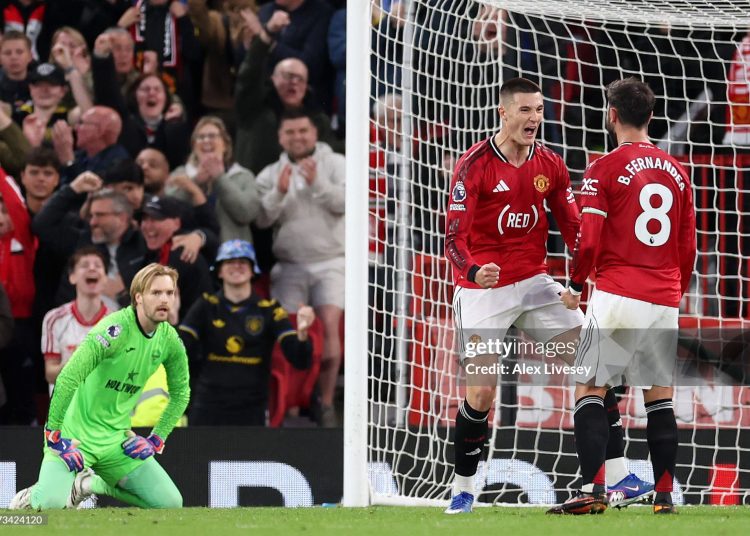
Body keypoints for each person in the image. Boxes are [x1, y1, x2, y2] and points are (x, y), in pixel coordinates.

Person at [442, 77, 652, 514]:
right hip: (483, 291)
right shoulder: (474, 165)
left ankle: (618, 477)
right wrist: (476, 269)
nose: (534, 118)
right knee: (481, 395)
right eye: (525, 110)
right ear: (504, 112)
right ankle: (463, 488)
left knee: (596, 363)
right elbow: (453, 239)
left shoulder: (551, 165)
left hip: (535, 284)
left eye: (539, 110)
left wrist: (588, 271)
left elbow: (573, 225)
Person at [550, 78, 696, 515]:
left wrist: (576, 286)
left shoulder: (603, 168)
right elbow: (688, 246)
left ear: (611, 115)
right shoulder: (678, 172)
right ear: (650, 117)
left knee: (590, 387)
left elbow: (588, 239)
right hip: (664, 294)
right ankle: (664, 496)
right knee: (659, 396)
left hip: (617, 291)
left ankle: (594, 491)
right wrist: (674, 291)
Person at [10, 263, 190, 510]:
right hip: (74, 437)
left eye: (170, 293)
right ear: (138, 297)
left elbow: (181, 393)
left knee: (170, 504)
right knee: (48, 507)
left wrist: (156, 438)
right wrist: (54, 435)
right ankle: (30, 498)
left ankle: (89, 485)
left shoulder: (170, 340)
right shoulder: (114, 330)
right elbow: (67, 377)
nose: (164, 300)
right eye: (156, 293)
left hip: (116, 440)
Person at [255, 108, 345, 427]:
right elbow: (261, 219)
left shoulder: (335, 164)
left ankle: (324, 400)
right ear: (280, 137)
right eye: (290, 132)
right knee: (289, 335)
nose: (297, 137)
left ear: (314, 133)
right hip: (290, 265)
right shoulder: (269, 174)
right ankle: (289, 406)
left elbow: (347, 203)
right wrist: (279, 192)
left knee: (330, 329)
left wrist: (317, 182)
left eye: (302, 131)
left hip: (331, 261)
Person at [179, 239, 313, 425]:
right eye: (230, 262)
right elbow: (181, 348)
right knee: (202, 454)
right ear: (219, 270)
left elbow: (300, 360)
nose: (237, 266)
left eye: (243, 262)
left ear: (253, 270)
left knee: (249, 455)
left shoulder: (270, 309)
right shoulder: (206, 305)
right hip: (208, 404)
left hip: (252, 406)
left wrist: (303, 333)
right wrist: (168, 322)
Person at [168, 115, 261, 243]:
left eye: (212, 136)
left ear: (225, 144)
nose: (206, 140)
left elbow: (247, 214)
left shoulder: (243, 175)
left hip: (232, 257)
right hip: (190, 255)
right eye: (200, 137)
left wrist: (220, 178)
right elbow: (167, 213)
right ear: (194, 146)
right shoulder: (180, 174)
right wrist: (195, 182)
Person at [41, 246, 117, 394]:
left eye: (98, 265)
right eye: (84, 265)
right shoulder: (54, 319)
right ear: (72, 277)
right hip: (66, 408)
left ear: (105, 278)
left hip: (101, 406)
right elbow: (50, 374)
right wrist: (77, 364)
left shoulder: (118, 323)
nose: (92, 269)